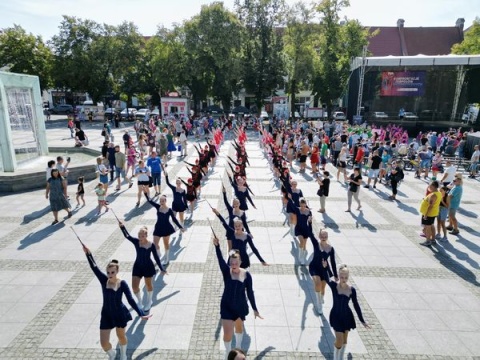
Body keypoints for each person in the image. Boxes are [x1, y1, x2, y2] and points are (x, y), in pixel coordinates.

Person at [82, 246, 151, 360]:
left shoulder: (122, 283)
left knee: (121, 336)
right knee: (104, 343)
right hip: (106, 314)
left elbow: (130, 299)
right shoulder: (104, 281)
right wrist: (88, 254)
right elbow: (94, 268)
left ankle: (123, 354)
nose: (110, 274)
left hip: (119, 313)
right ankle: (112, 355)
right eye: (108, 272)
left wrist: (141, 313)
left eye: (112, 272)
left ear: (117, 271)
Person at [213, 236, 262, 358]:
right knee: (227, 334)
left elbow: (250, 293)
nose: (233, 264)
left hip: (240, 306)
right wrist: (217, 246)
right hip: (227, 306)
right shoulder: (226, 271)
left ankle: (239, 348)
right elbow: (219, 259)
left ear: (240, 262)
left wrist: (255, 309)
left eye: (236, 262)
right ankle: (228, 353)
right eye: (232, 262)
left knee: (239, 329)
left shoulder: (246, 275)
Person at [320, 261, 369, 360]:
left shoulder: (352, 290)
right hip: (335, 316)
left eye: (346, 278)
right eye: (342, 277)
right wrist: (325, 267)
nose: (344, 280)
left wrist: (362, 320)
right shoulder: (334, 286)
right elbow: (326, 277)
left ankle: (341, 357)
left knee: (344, 341)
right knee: (339, 340)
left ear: (348, 277)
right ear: (339, 276)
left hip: (347, 316)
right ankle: (336, 357)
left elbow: (356, 305)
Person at [118, 222, 166, 311]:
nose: (140, 238)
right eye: (139, 236)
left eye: (142, 236)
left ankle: (149, 301)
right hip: (137, 266)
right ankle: (139, 301)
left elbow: (156, 257)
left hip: (148, 267)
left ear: (146, 236)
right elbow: (127, 236)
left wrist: (161, 268)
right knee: (134, 287)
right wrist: (122, 227)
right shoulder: (136, 242)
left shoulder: (151, 245)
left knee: (148, 285)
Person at [144, 190, 184, 265]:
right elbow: (150, 201)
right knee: (155, 244)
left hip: (166, 228)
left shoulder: (169, 210)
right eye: (160, 201)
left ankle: (167, 258)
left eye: (163, 201)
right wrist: (145, 193)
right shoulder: (158, 207)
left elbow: (174, 219)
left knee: (166, 244)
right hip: (158, 227)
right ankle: (159, 255)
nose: (161, 202)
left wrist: (180, 227)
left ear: (165, 201)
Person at [308, 229, 338, 315]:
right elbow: (310, 233)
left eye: (325, 236)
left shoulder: (331, 249)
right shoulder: (316, 244)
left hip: (324, 269)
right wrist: (309, 223)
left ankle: (321, 298)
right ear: (319, 236)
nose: (323, 238)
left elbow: (333, 262)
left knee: (323, 288)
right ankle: (319, 305)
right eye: (322, 236)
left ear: (327, 237)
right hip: (314, 267)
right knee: (318, 284)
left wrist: (335, 275)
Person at [287, 195, 312, 265]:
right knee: (301, 242)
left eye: (304, 206)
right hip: (298, 229)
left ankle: (303, 258)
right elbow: (292, 204)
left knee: (304, 245)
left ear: (306, 205)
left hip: (305, 229)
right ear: (300, 204)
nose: (303, 207)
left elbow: (310, 222)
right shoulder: (297, 209)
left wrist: (310, 221)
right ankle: (300, 258)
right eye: (302, 206)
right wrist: (290, 198)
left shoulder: (309, 211)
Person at [419, 180, 442, 247]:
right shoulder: (438, 193)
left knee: (427, 227)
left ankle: (428, 240)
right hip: (433, 213)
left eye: (430, 185)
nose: (429, 186)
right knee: (431, 225)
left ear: (433, 186)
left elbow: (430, 206)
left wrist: (426, 214)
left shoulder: (433, 195)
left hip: (429, 214)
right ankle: (433, 239)